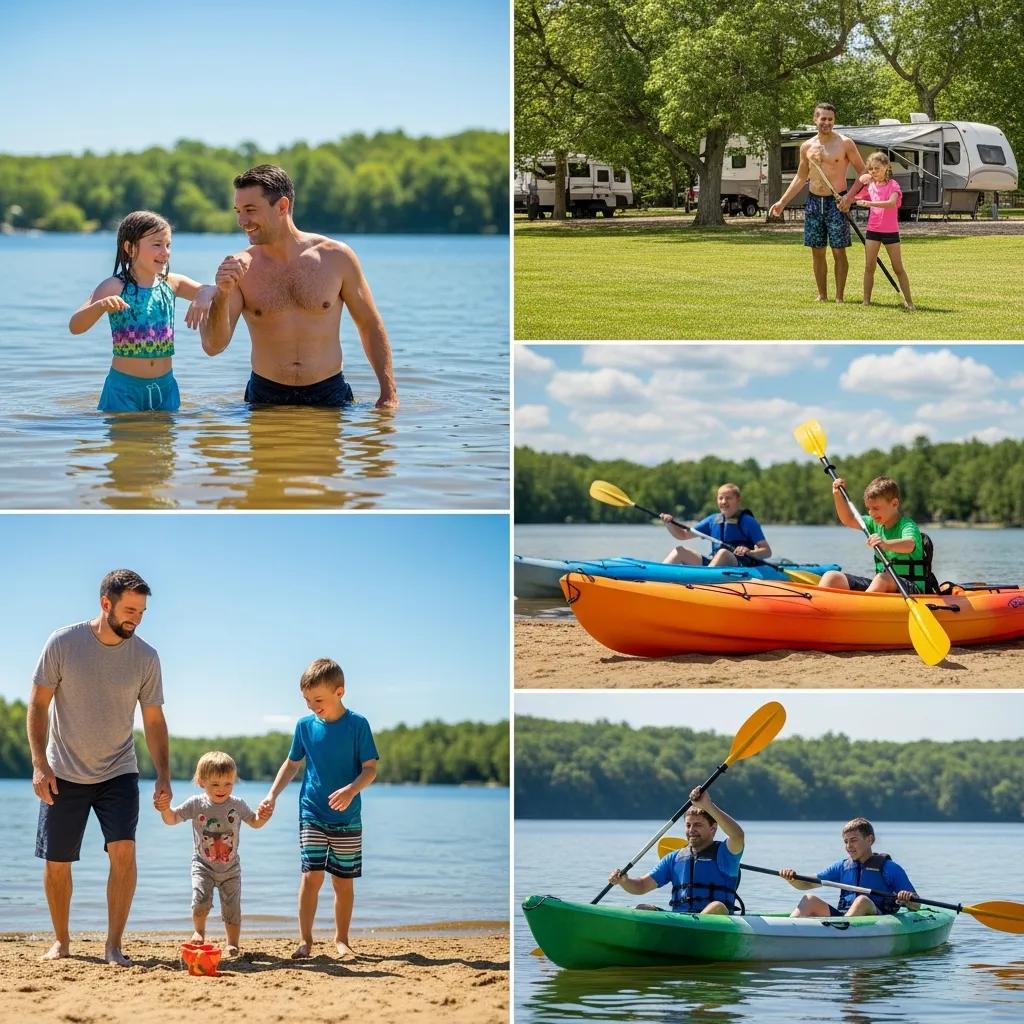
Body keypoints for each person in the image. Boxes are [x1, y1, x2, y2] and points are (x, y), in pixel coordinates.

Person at [27, 569, 170, 966]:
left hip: (119, 770)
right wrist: (40, 764)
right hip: (63, 770)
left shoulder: (146, 657)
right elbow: (38, 704)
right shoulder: (63, 642)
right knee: (57, 861)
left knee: (123, 851)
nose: (136, 618)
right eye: (129, 610)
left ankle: (113, 945)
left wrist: (163, 774)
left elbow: (154, 720)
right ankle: (61, 941)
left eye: (141, 611)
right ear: (105, 603)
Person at [199, 164, 399, 410]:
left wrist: (388, 393)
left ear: (282, 206)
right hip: (265, 397)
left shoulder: (336, 257)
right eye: (238, 211)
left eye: (250, 210)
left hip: (329, 394)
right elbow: (213, 346)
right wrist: (223, 293)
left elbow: (369, 324)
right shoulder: (241, 267)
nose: (242, 221)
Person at [259, 658, 379, 960]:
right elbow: (291, 765)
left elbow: (370, 770)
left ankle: (341, 940)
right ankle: (306, 941)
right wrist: (272, 795)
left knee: (342, 881)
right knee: (311, 876)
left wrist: (352, 790)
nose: (312, 706)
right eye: (307, 700)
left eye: (318, 699)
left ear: (340, 692)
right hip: (311, 812)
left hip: (347, 817)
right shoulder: (304, 727)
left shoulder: (358, 725)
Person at [69, 211, 215, 412]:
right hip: (124, 390)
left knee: (166, 441)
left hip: (165, 388)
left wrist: (204, 296)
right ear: (129, 247)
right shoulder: (114, 286)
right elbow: (75, 326)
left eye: (168, 245)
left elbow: (212, 289)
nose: (165, 252)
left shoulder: (172, 283)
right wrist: (100, 306)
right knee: (127, 443)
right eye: (157, 244)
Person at [155, 751, 272, 957]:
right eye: (215, 784)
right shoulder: (196, 804)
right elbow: (172, 819)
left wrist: (263, 816)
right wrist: (165, 809)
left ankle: (233, 943)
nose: (222, 789)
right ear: (201, 782)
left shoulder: (237, 804)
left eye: (228, 784)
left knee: (232, 907)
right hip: (202, 865)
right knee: (200, 900)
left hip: (231, 868)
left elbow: (254, 822)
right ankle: (199, 932)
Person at [768, 102, 868, 303]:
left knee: (839, 250)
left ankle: (839, 297)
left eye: (830, 119)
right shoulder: (807, 147)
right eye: (823, 118)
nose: (827, 123)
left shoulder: (845, 143)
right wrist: (782, 202)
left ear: (834, 121)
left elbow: (864, 173)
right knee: (817, 250)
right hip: (814, 202)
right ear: (815, 119)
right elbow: (800, 178)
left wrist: (849, 198)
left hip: (837, 202)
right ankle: (822, 295)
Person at [607, 788, 744, 915]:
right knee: (642, 908)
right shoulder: (674, 858)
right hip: (681, 920)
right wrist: (624, 881)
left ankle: (690, 933)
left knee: (717, 906)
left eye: (698, 825)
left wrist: (708, 805)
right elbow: (641, 886)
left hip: (717, 922)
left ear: (713, 829)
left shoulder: (726, 854)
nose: (691, 830)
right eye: (688, 825)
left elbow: (737, 836)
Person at [780, 817, 919, 918]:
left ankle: (841, 935)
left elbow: (916, 904)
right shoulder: (842, 867)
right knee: (808, 900)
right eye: (846, 841)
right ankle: (785, 933)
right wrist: (791, 879)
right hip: (845, 916)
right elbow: (807, 884)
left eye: (853, 840)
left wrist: (907, 898)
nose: (848, 846)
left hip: (877, 917)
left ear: (869, 840)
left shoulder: (890, 868)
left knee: (862, 901)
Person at [818, 476, 927, 594]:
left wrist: (885, 544)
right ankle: (818, 609)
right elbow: (848, 519)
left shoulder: (907, 525)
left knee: (881, 579)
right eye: (869, 508)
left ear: (894, 503)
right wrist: (837, 495)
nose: (871, 513)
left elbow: (909, 545)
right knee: (831, 577)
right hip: (883, 583)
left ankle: (859, 608)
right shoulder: (872, 523)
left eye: (876, 508)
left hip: (911, 589)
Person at [850, 152, 915, 310]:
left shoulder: (893, 185)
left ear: (886, 167)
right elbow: (856, 199)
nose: (873, 172)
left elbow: (891, 203)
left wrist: (869, 203)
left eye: (877, 168)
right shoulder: (870, 186)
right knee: (869, 267)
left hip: (890, 232)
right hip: (873, 231)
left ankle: (909, 302)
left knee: (898, 268)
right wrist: (845, 199)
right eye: (870, 169)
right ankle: (866, 301)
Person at [660, 483, 772, 566]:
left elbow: (767, 551)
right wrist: (669, 524)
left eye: (728, 498)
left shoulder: (748, 521)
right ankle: (656, 578)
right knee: (680, 551)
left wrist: (750, 552)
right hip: (714, 564)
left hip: (740, 566)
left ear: (738, 500)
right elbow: (683, 535)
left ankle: (703, 582)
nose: (723, 502)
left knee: (723, 552)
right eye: (721, 498)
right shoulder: (713, 520)